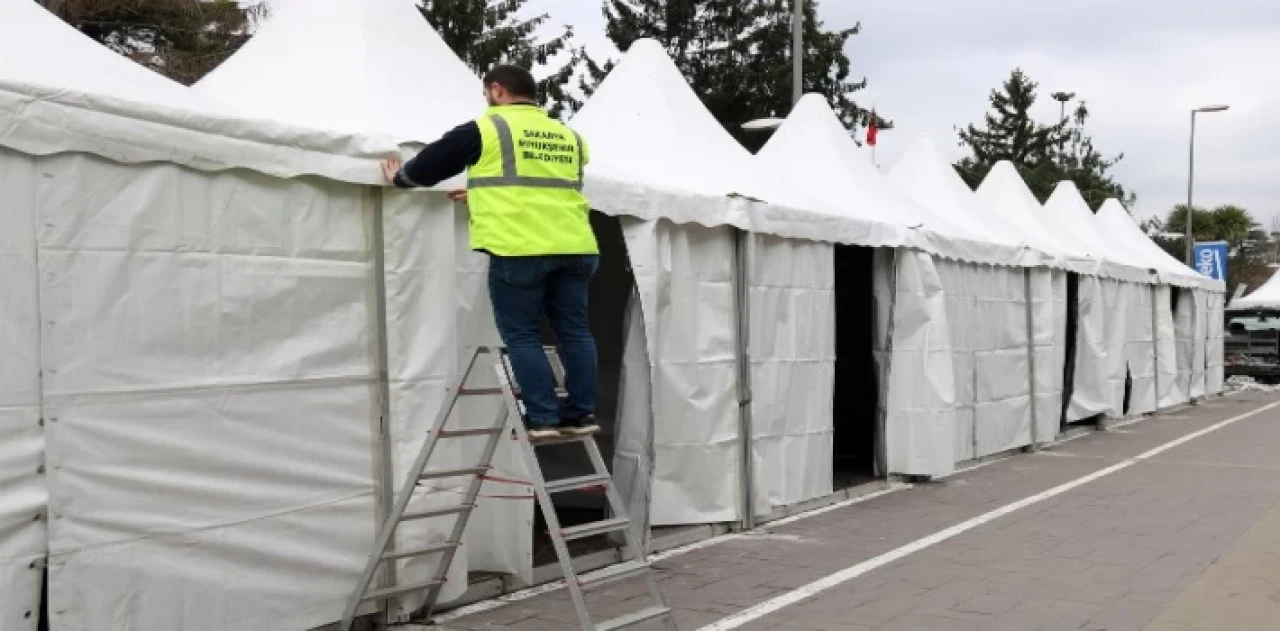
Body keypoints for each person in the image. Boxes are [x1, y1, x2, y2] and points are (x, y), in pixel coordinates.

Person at [381, 65, 599, 440]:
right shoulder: (571, 136)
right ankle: (581, 415)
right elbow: (541, 185)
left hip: (520, 248)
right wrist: (482, 191)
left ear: (496, 90)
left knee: (523, 335)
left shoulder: (487, 128)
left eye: (486, 94)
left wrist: (400, 178)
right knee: (576, 333)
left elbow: (431, 165)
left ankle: (544, 419)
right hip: (577, 245)